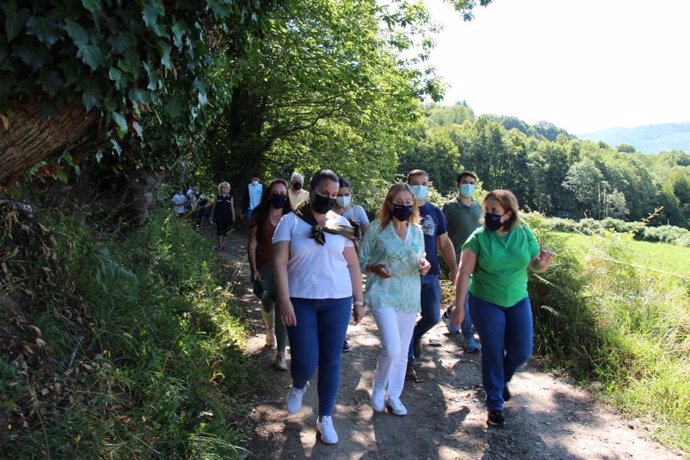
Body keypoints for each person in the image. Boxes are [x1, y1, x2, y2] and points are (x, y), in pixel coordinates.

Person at [273, 169, 365, 445]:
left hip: (337, 300)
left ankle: (325, 417)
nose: (330, 198)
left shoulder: (342, 223)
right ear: (311, 189)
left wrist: (359, 300)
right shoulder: (290, 222)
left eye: (334, 195)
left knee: (331, 360)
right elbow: (279, 263)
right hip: (300, 300)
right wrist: (284, 299)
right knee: (305, 359)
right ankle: (299, 383)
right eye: (324, 193)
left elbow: (352, 264)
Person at [450, 189, 553, 426]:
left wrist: (543, 264)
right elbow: (464, 273)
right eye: (486, 210)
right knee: (494, 351)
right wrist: (459, 307)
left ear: (508, 214)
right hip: (486, 301)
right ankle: (494, 403)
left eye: (494, 211)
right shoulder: (478, 238)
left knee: (521, 352)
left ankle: (501, 380)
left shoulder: (525, 233)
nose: (488, 215)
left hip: (517, 300)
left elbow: (534, 265)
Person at [359, 183, 429, 416]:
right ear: (390, 203)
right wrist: (374, 268)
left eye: (409, 203)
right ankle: (378, 388)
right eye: (399, 203)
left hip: (409, 295)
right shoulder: (376, 229)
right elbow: (360, 262)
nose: (405, 207)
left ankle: (395, 395)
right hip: (382, 293)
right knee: (392, 347)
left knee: (401, 351)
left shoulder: (417, 231)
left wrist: (425, 265)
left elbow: (421, 258)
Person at [406, 169, 457, 381]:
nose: (420, 187)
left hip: (430, 274)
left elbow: (444, 242)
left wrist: (454, 268)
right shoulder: (401, 209)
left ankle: (414, 337)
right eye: (415, 183)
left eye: (424, 183)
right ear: (408, 184)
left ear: (429, 186)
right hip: (405, 275)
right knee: (407, 319)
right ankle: (407, 362)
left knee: (433, 317)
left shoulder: (435, 212)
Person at [248, 179, 293, 370]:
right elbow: (252, 243)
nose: (280, 196)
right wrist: (253, 269)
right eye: (276, 193)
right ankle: (268, 331)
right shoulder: (259, 215)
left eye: (283, 193)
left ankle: (281, 354)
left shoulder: (292, 216)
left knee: (283, 305)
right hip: (264, 264)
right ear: (268, 195)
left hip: (286, 268)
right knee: (267, 305)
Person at [441, 171, 482, 353]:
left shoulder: (479, 207)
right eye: (465, 182)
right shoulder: (449, 207)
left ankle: (450, 313)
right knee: (465, 299)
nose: (468, 185)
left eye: (471, 182)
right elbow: (441, 234)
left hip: (478, 261)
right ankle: (468, 337)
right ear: (457, 185)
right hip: (458, 260)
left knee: (468, 298)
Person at [333, 177, 370, 352]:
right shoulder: (327, 211)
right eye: (339, 194)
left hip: (353, 261)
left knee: (347, 297)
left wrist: (366, 254)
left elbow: (368, 233)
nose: (343, 197)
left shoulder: (357, 211)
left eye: (346, 194)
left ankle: (341, 336)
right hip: (332, 261)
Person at [210, 182, 236, 250]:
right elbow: (213, 207)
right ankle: (220, 245)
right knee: (219, 230)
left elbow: (232, 207)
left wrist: (233, 216)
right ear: (221, 188)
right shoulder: (218, 196)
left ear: (229, 189)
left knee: (225, 231)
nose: (224, 189)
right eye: (223, 187)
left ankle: (223, 244)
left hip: (227, 216)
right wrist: (211, 216)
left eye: (226, 187)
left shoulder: (230, 197)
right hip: (219, 216)